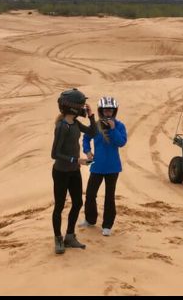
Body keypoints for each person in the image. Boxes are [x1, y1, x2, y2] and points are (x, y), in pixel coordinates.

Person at [51, 88, 96, 254]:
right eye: (81, 106)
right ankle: (58, 239)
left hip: (74, 171)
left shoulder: (75, 123)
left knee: (77, 203)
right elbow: (54, 153)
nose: (83, 108)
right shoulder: (62, 127)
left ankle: (70, 236)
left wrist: (91, 116)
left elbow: (93, 131)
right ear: (72, 108)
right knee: (59, 205)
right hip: (61, 172)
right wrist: (76, 160)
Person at [80, 96, 128, 237]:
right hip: (97, 166)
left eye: (111, 111)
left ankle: (107, 225)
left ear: (114, 111)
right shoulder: (95, 125)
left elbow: (121, 142)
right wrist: (87, 151)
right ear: (101, 111)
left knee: (109, 197)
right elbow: (86, 138)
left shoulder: (119, 126)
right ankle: (90, 219)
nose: (108, 113)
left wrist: (113, 130)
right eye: (105, 110)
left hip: (113, 168)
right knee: (89, 195)